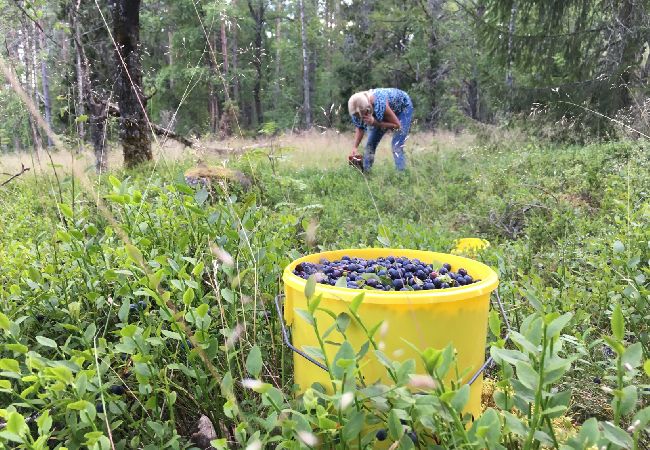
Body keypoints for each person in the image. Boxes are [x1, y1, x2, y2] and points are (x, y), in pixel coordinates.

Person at [348, 88, 413, 172]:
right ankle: (365, 175)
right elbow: (360, 128)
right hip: (384, 111)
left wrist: (375, 122)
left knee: (396, 146)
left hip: (403, 108)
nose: (361, 118)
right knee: (370, 146)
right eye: (358, 116)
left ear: (368, 108)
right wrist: (355, 147)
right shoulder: (355, 110)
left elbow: (397, 126)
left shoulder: (380, 103)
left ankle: (402, 176)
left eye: (364, 115)